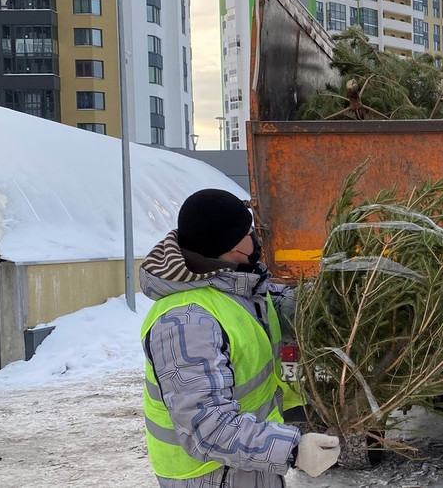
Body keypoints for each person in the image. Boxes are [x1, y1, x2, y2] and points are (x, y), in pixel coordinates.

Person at [139, 188, 341, 487]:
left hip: (247, 462)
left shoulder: (233, 287)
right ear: (232, 245)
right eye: (249, 233)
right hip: (210, 476)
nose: (256, 238)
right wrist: (293, 449)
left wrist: (340, 296)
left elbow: (277, 308)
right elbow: (207, 429)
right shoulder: (186, 322)